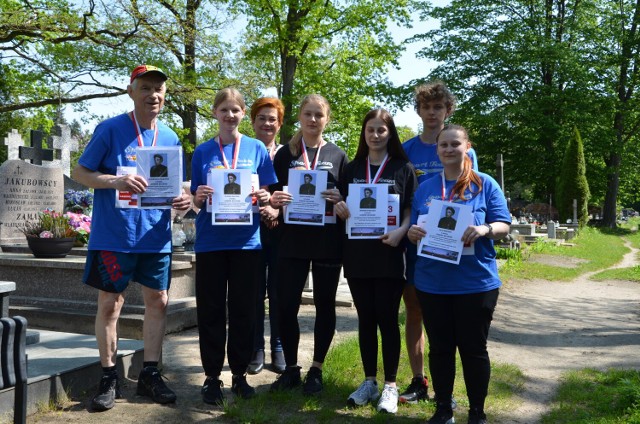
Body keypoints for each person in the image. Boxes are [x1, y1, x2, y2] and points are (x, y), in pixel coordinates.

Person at [72, 64, 192, 412]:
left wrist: (183, 200)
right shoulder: (110, 129)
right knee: (110, 305)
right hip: (114, 236)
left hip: (155, 237)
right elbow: (80, 172)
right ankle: (109, 377)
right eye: (145, 88)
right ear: (131, 90)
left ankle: (150, 374)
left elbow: (173, 189)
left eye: (158, 89)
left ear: (165, 95)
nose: (153, 95)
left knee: (159, 302)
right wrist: (116, 181)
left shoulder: (169, 137)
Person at [407, 124, 510, 424]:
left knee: (473, 349)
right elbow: (416, 226)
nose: (449, 150)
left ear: (467, 147)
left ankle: (477, 412)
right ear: (437, 149)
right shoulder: (425, 187)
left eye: (455, 144)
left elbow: (503, 225)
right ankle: (443, 409)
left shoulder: (485, 184)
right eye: (444, 145)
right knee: (440, 349)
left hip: (475, 283)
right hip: (432, 283)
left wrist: (484, 229)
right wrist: (413, 232)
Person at [191, 88, 277, 406]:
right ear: (215, 113)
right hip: (211, 242)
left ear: (243, 115)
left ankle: (239, 375)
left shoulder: (255, 148)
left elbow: (265, 189)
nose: (230, 115)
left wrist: (265, 197)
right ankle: (212, 377)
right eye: (224, 110)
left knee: (243, 311)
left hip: (246, 243)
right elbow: (195, 200)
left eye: (236, 110)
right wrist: (198, 197)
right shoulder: (202, 152)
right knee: (211, 310)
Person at [399, 81, 478, 405]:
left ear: (448, 110)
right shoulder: (406, 150)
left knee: (449, 319)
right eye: (426, 107)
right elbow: (402, 197)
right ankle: (419, 380)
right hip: (418, 246)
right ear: (418, 111)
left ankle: (447, 388)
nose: (431, 113)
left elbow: (474, 195)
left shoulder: (464, 150)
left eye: (438, 107)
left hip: (453, 248)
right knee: (415, 311)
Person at [334, 108, 417, 414]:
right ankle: (369, 381)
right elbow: (341, 204)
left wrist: (401, 233)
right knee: (366, 319)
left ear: (390, 133)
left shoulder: (403, 168)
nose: (376, 135)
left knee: (387, 318)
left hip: (389, 254)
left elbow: (409, 209)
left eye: (382, 130)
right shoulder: (352, 167)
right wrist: (341, 209)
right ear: (364, 133)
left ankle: (391, 386)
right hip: (357, 256)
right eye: (371, 129)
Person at [268, 94, 348, 395]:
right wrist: (276, 200)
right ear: (299, 117)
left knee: (325, 304)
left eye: (319, 115)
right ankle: (291, 368)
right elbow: (273, 194)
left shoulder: (338, 155)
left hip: (327, 240)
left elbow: (347, 195)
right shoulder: (284, 155)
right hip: (291, 241)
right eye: (308, 114)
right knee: (286, 305)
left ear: (327, 119)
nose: (313, 120)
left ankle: (316, 368)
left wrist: (339, 199)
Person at [247, 97, 286, 375]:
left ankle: (279, 345)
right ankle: (256, 347)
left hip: (282, 232)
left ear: (280, 123)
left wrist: (277, 211)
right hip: (249, 231)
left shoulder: (289, 154)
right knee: (254, 291)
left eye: (272, 119)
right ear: (253, 122)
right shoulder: (244, 152)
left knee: (279, 291)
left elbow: (297, 193)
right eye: (262, 118)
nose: (267, 123)